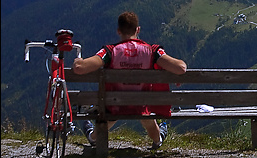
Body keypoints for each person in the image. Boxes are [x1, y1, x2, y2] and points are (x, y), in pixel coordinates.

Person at [73, 11, 187, 149]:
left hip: (115, 105)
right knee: (145, 113)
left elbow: (80, 68)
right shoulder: (152, 51)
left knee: (111, 109)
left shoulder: (110, 51)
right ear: (138, 30)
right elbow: (181, 68)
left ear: (118, 31)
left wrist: (78, 61)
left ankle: (93, 137)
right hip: (141, 105)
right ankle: (158, 140)